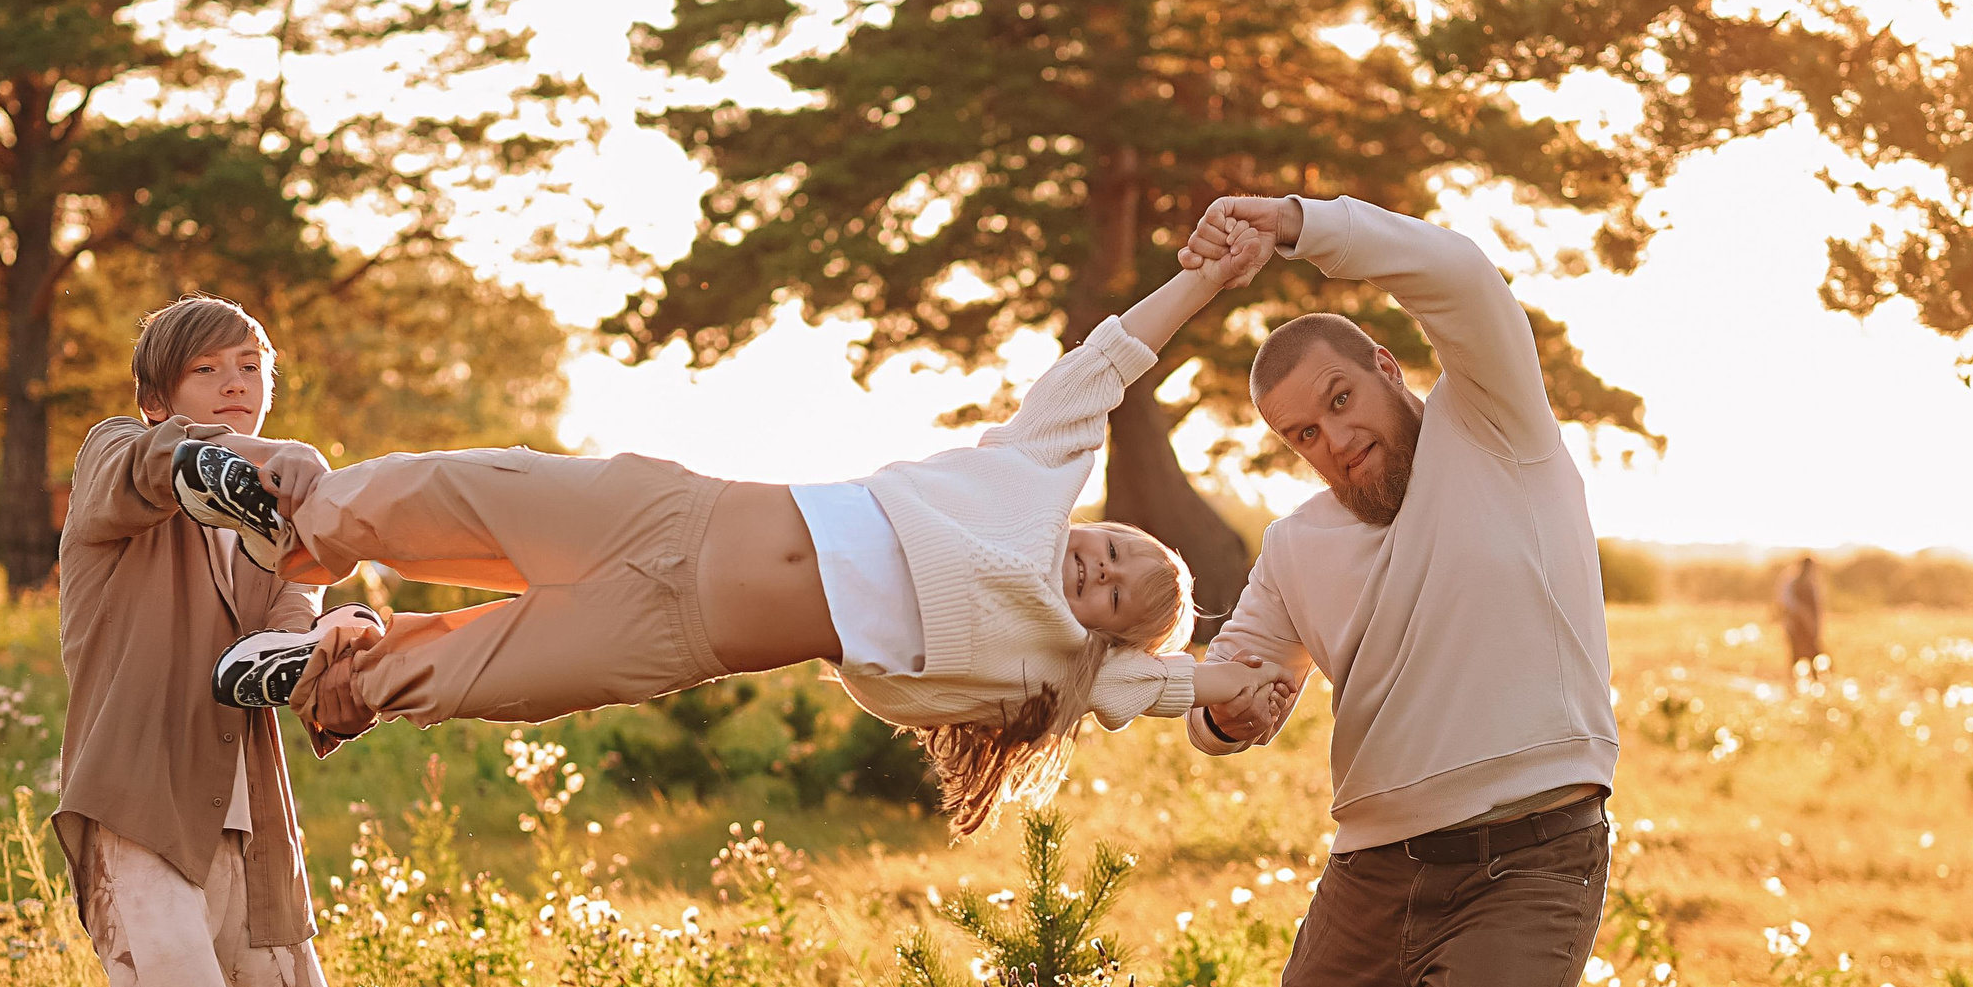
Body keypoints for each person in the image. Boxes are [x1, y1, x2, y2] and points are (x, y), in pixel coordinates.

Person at [170, 242, 1292, 836]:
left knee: (471, 674)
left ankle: (316, 665)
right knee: (453, 491)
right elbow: (1104, 364)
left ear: (1101, 643)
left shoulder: (1050, 667)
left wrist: (1250, 674)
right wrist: (1204, 277)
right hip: (670, 510)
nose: (1096, 568)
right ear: (1088, 516)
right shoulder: (1024, 479)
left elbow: (1172, 686)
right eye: (1111, 547)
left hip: (672, 634)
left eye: (1110, 593)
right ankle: (292, 513)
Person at [1176, 193, 1617, 987]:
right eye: (1299, 434)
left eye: (1339, 407)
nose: (1330, 444)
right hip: (1368, 876)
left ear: (1385, 369)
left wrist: (1300, 220)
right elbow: (1235, 687)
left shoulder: (1499, 434)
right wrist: (1230, 718)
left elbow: (1455, 270)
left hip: (1530, 865)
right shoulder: (1299, 544)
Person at [52, 293, 388, 987]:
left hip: (252, 854)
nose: (238, 383)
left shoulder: (276, 535)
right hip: (140, 830)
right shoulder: (119, 462)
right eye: (210, 371)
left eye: (253, 367)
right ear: (159, 394)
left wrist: (342, 643)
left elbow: (290, 645)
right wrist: (268, 458)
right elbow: (172, 468)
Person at [1777, 554, 1826, 674]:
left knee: (1813, 657)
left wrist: (1815, 626)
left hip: (1809, 628)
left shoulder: (1813, 585)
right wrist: (1802, 614)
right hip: (1795, 627)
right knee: (1795, 657)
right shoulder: (1791, 582)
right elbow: (1786, 603)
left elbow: (1818, 609)